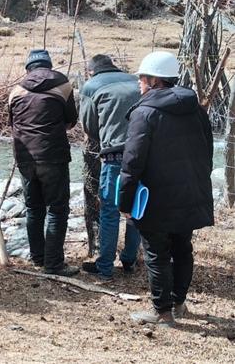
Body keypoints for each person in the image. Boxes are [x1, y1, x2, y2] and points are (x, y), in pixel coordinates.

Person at [119, 51, 214, 328]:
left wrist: (124, 201)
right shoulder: (195, 107)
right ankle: (178, 303)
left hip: (156, 197)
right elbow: (207, 151)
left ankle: (162, 313)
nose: (138, 82)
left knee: (156, 253)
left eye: (141, 77)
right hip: (190, 193)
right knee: (183, 248)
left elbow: (132, 161)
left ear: (154, 80)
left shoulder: (144, 112)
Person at [8, 49, 79, 277]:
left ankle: (38, 258)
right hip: (53, 155)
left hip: (25, 157)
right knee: (57, 211)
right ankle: (54, 264)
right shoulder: (64, 86)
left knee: (33, 209)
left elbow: (12, 122)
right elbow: (71, 121)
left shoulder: (15, 91)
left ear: (27, 69)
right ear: (49, 67)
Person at [79, 54, 142, 281]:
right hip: (142, 155)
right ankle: (129, 260)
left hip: (114, 155)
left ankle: (105, 265)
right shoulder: (135, 80)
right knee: (135, 210)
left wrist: (105, 141)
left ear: (91, 71)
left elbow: (88, 125)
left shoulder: (90, 86)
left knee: (109, 210)